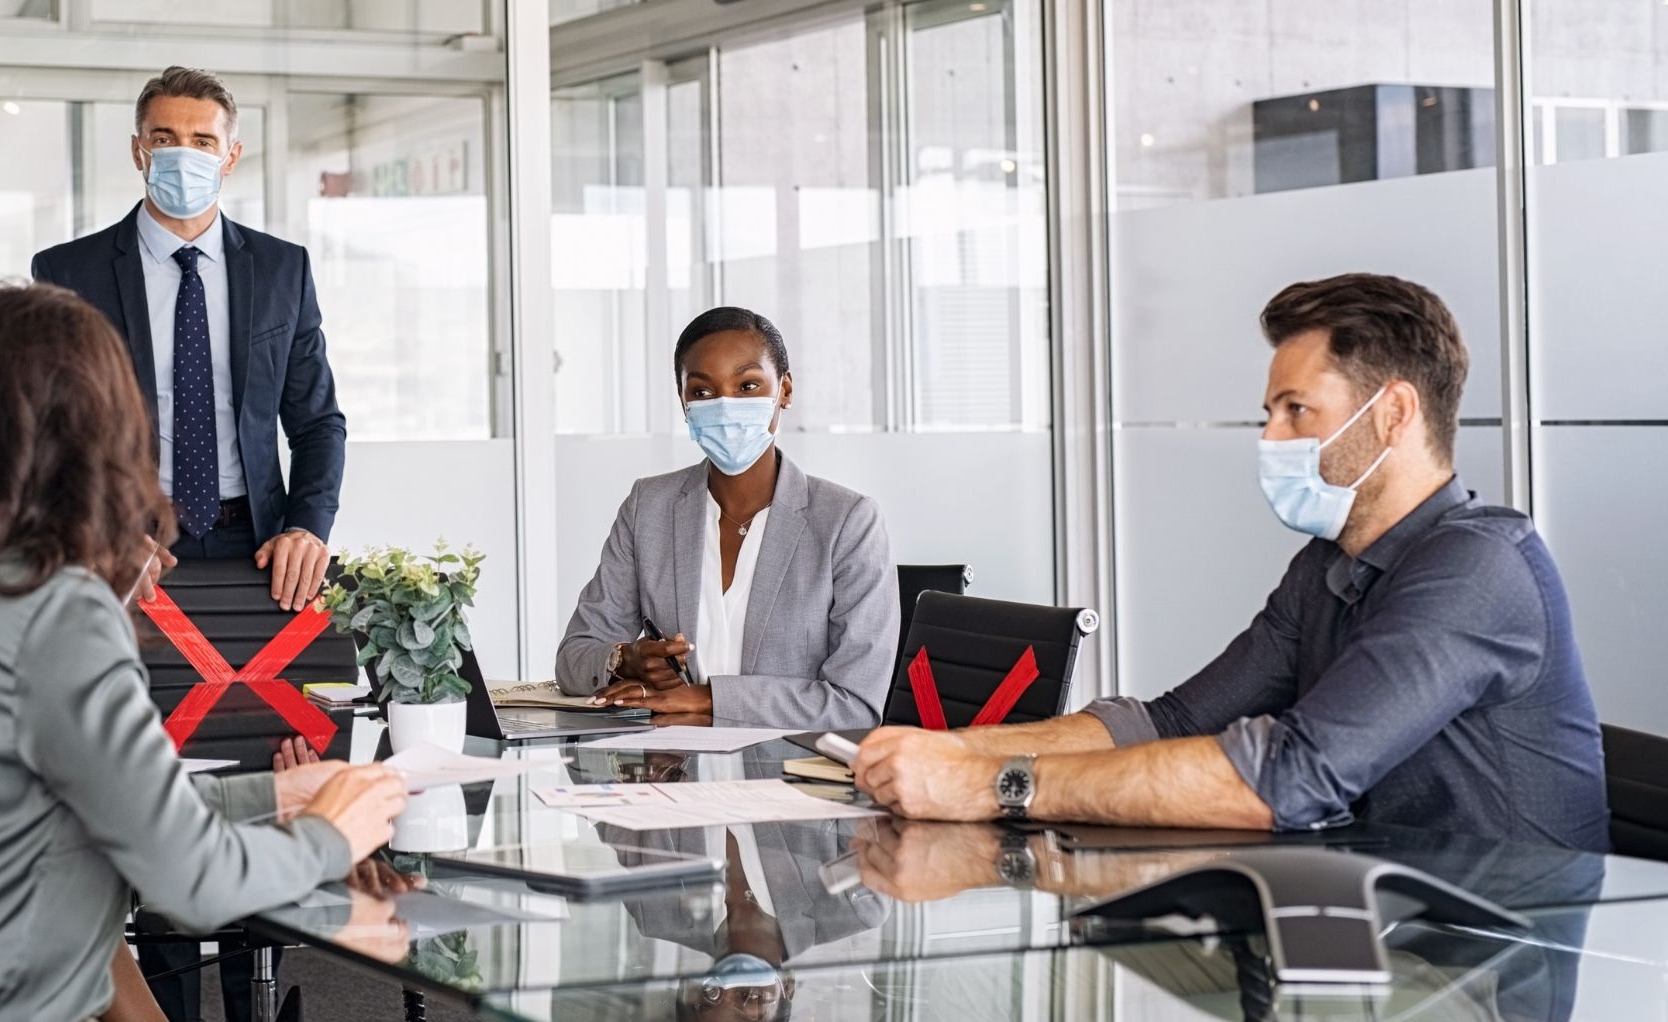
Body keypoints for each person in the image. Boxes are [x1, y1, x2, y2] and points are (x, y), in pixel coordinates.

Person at [0, 282, 406, 1021]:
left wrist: (272, 799)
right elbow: (193, 880)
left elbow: (80, 801)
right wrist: (329, 838)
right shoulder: (58, 609)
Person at [851, 273, 1609, 853]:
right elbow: (1169, 721)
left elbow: (1290, 776)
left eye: (1296, 410)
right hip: (1364, 933)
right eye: (1267, 414)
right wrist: (942, 751)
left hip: (1487, 961)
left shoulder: (1479, 569)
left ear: (1394, 413)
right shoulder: (1328, 566)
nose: (1271, 438)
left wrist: (993, 783)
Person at [31, 65, 343, 614]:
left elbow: (317, 424)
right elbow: (48, 432)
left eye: (203, 141)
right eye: (164, 139)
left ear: (231, 155)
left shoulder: (281, 269)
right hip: (127, 548)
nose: (184, 155)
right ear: (138, 152)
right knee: (128, 700)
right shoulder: (69, 273)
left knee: (258, 700)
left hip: (260, 548)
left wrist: (307, 529)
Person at [555, 307, 901, 730]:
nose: (724, 407)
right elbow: (574, 658)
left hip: (790, 778)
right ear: (683, 403)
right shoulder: (649, 507)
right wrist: (625, 660)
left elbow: (855, 705)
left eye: (747, 386)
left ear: (785, 390)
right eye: (702, 392)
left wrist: (707, 699)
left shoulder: (848, 522)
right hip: (673, 771)